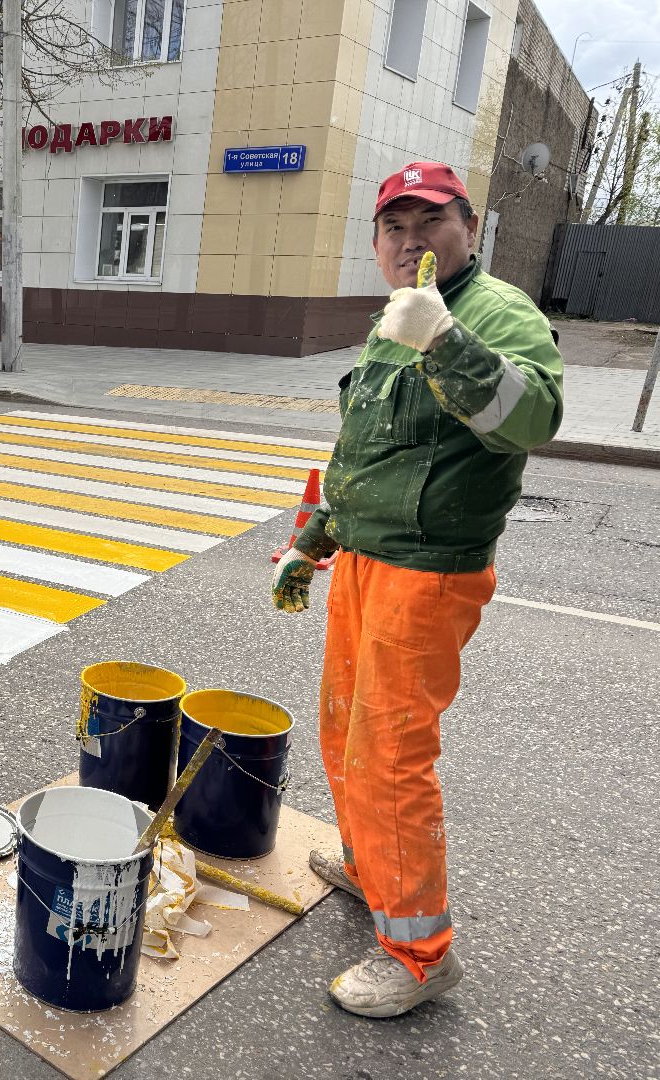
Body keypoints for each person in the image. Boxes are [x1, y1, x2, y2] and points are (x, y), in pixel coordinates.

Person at [271, 161, 563, 1018]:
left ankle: (420, 954)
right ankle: (369, 866)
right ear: (376, 244)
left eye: (428, 222)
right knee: (342, 727)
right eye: (393, 228)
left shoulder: (493, 313)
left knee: (392, 756)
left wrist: (446, 341)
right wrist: (311, 540)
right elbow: (367, 453)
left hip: (429, 572)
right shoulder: (390, 320)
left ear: (466, 229)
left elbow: (535, 418)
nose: (410, 242)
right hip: (366, 561)